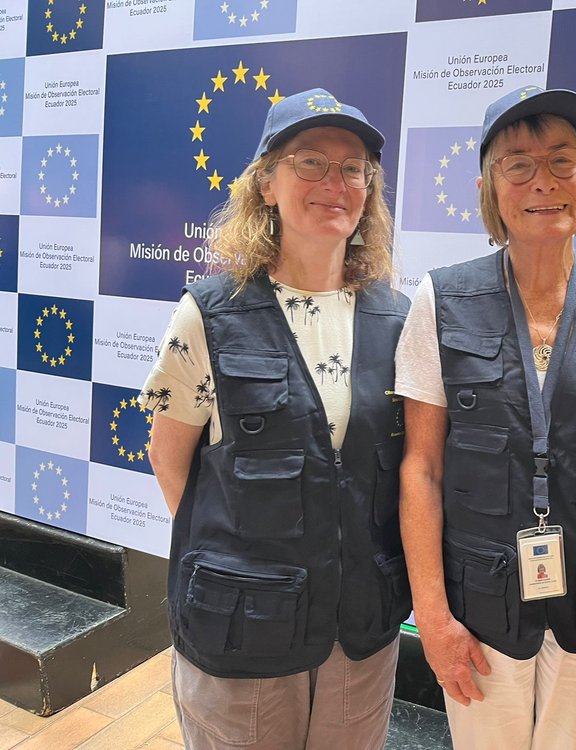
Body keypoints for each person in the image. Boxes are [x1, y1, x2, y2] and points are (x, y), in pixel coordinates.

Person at [395, 86, 576, 749]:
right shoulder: (442, 299)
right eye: (518, 163)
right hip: (481, 605)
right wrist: (431, 617)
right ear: (489, 186)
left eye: (561, 159)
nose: (543, 181)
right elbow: (421, 468)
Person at [144, 88, 411, 750]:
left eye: (352, 168)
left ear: (369, 189)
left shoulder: (401, 321)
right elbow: (169, 458)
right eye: (310, 162)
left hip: (359, 635)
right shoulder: (206, 315)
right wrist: (240, 553)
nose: (334, 183)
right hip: (242, 632)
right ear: (267, 183)